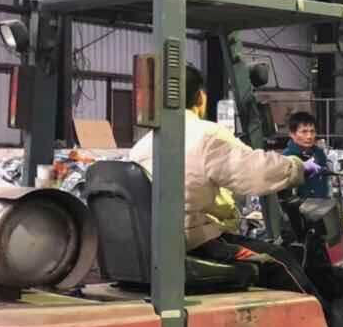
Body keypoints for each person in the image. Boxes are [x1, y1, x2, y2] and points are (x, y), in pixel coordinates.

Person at [129, 65, 323, 293]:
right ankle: (325, 314)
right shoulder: (206, 134)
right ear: (200, 98)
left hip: (155, 244)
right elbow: (253, 170)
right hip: (194, 241)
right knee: (279, 260)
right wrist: (298, 167)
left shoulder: (142, 144)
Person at [283, 111, 330, 199]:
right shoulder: (287, 157)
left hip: (322, 203)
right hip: (301, 205)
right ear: (292, 134)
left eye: (312, 131)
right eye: (304, 132)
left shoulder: (319, 153)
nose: (309, 136)